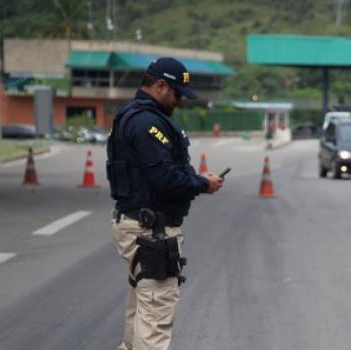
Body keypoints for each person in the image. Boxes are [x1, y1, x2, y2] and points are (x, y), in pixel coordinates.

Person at [107, 57, 224, 350]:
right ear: (160, 86)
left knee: (140, 319)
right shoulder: (147, 123)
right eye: (177, 93)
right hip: (151, 232)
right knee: (154, 324)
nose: (180, 101)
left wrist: (197, 179)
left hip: (141, 228)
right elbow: (166, 179)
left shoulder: (133, 116)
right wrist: (202, 184)